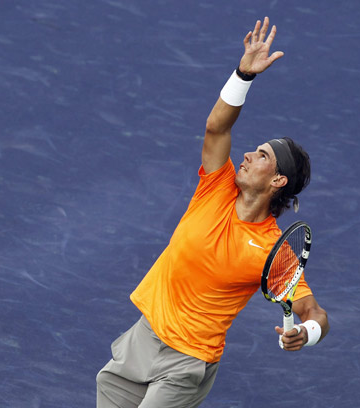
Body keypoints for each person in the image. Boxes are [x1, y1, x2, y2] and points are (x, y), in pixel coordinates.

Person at [96, 17, 329, 408]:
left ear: (277, 182)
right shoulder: (215, 187)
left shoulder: (275, 251)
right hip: (141, 339)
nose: (248, 155)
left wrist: (306, 332)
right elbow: (216, 129)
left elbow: (314, 312)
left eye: (262, 156)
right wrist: (243, 75)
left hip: (186, 364)